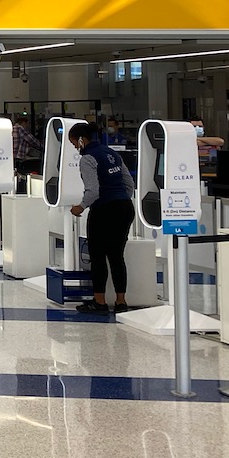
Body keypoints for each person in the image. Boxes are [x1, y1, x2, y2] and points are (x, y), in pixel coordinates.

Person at [67, 123, 136, 315]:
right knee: (116, 256)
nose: (74, 146)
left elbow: (93, 190)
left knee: (98, 257)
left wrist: (80, 207)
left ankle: (100, 302)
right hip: (124, 208)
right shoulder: (112, 153)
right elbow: (128, 182)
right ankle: (121, 302)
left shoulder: (87, 158)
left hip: (104, 210)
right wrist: (121, 198)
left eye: (73, 142)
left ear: (81, 139)